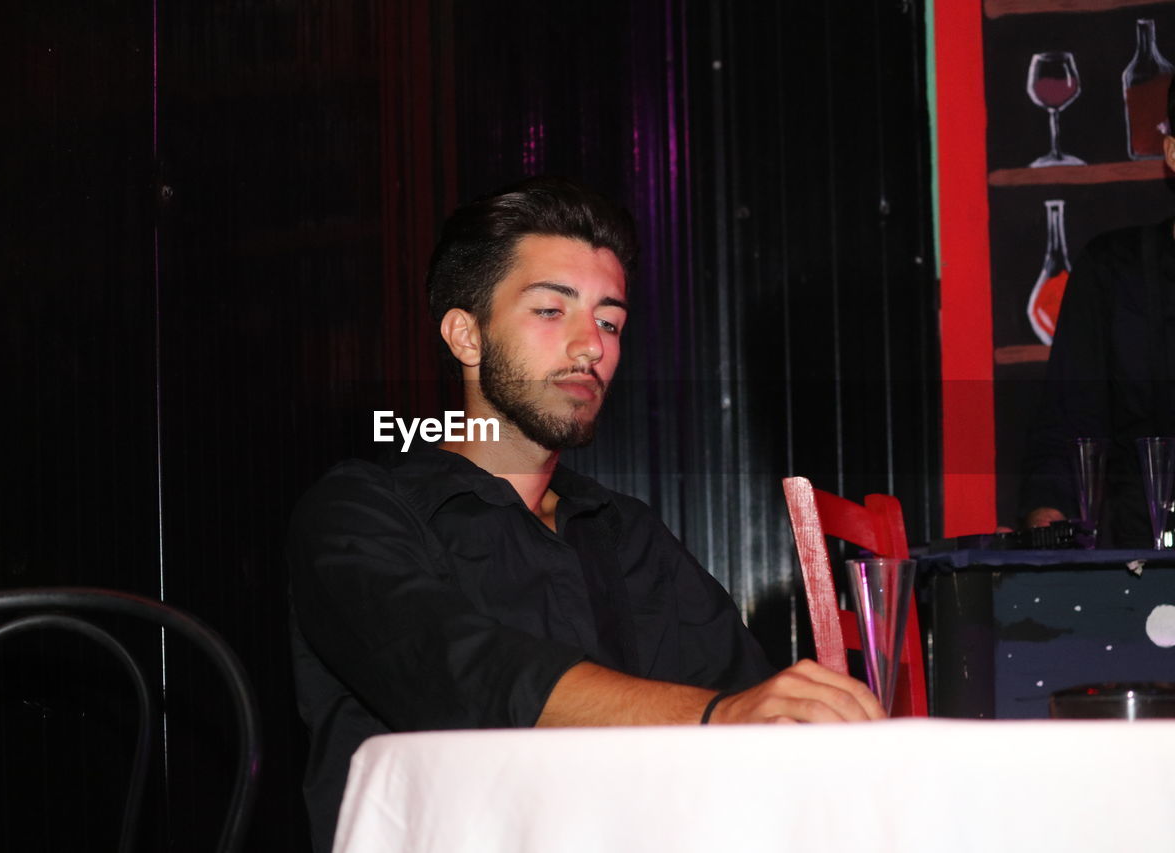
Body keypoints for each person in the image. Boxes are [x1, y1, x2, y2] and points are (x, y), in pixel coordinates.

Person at [288, 176, 883, 851]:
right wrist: (718, 715)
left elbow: (750, 702)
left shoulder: (625, 533)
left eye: (609, 321)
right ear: (465, 335)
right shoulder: (359, 512)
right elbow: (465, 676)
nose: (591, 346)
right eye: (551, 310)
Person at [1018, 85, 1175, 547]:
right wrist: (1050, 518)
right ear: (1172, 152)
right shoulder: (1114, 268)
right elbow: (1070, 421)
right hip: (1141, 564)